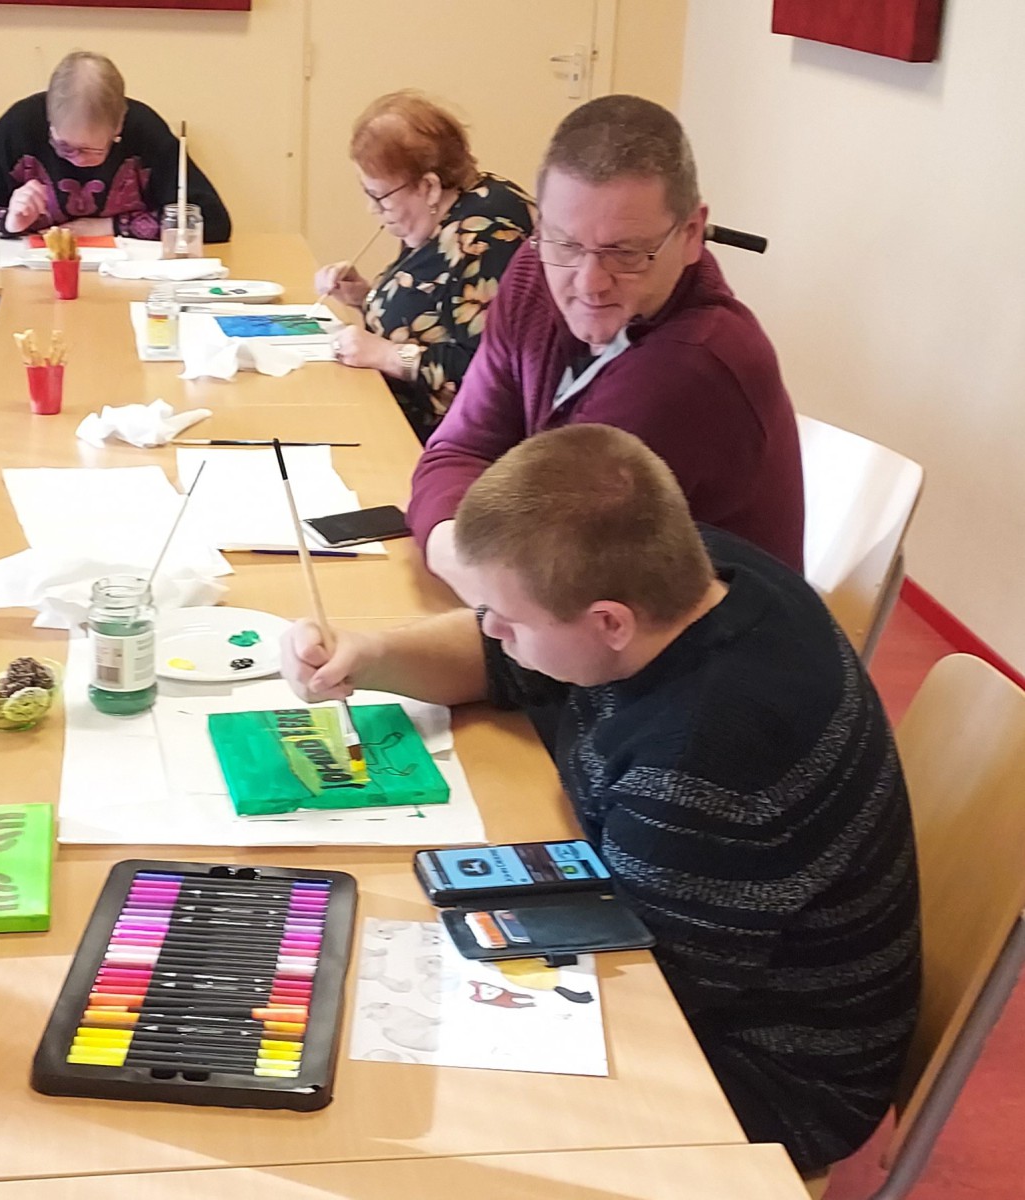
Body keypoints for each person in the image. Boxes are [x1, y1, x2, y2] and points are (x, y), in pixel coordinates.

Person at [284, 424, 920, 1176]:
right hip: (684, 946)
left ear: (608, 622)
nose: (489, 628)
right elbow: (501, 659)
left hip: (764, 1070)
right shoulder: (693, 572)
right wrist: (372, 656)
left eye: (507, 618)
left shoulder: (702, 768)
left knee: (367, 1090)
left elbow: (642, 1001)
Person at [408, 94, 804, 591]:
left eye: (626, 253)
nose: (589, 283)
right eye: (566, 243)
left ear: (691, 234)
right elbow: (459, 449)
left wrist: (464, 556)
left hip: (684, 635)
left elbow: (553, 569)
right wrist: (453, 548)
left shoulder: (692, 366)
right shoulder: (535, 270)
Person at [314, 91, 534, 442]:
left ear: (428, 186)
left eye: (379, 196)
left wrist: (387, 355)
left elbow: (483, 373)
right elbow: (433, 310)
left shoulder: (485, 237)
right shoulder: (441, 212)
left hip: (455, 443)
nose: (373, 209)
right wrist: (366, 297)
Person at [0, 51, 231, 242]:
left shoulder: (144, 129)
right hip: (34, 280)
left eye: (92, 150)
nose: (76, 160)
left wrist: (111, 227)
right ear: (49, 121)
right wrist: (9, 220)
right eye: (64, 147)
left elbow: (212, 221)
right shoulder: (21, 124)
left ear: (118, 127)